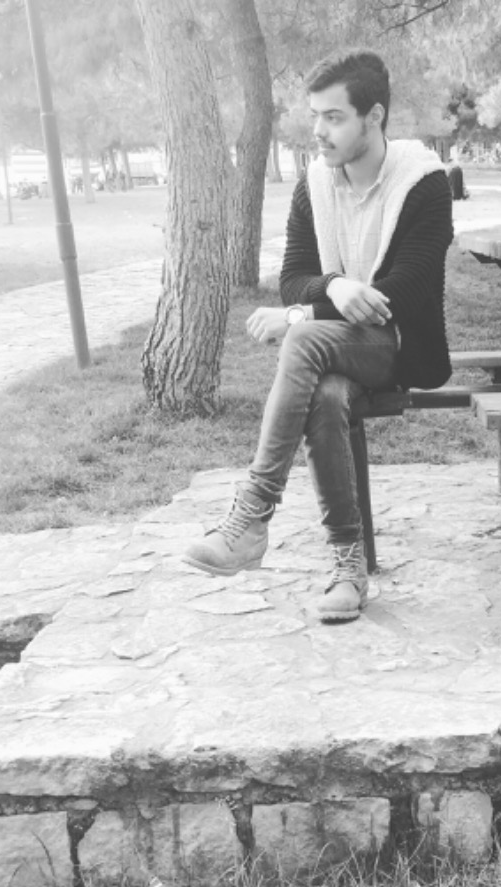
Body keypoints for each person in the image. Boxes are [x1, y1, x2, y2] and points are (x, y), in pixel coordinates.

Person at [183, 50, 454, 623]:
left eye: (334, 117)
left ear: (374, 117)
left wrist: (301, 315)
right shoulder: (315, 186)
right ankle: (348, 569)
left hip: (398, 348)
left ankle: (252, 515)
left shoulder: (424, 184)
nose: (319, 132)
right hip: (340, 348)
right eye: (315, 117)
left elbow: (399, 296)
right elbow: (294, 277)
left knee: (302, 340)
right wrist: (332, 287)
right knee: (326, 396)